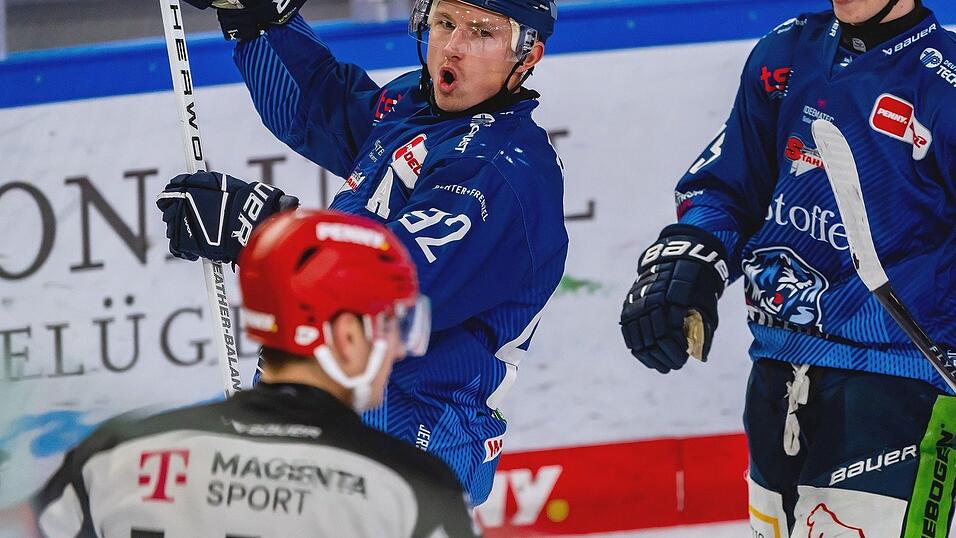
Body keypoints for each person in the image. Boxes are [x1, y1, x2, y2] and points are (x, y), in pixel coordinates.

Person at [161, 0, 568, 505]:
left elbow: (386, 285)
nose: (454, 47)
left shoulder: (502, 170)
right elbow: (319, 108)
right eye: (445, 23)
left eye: (483, 33)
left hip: (411, 437)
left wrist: (262, 229)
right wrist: (259, 18)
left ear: (526, 56)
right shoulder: (416, 109)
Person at [619, 0, 956, 535]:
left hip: (899, 393)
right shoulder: (787, 51)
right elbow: (731, 188)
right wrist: (691, 260)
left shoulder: (945, 82)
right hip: (776, 377)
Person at [23, 210, 478, 538]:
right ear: (347, 337)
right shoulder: (413, 491)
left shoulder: (115, 454)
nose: (401, 348)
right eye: (392, 324)